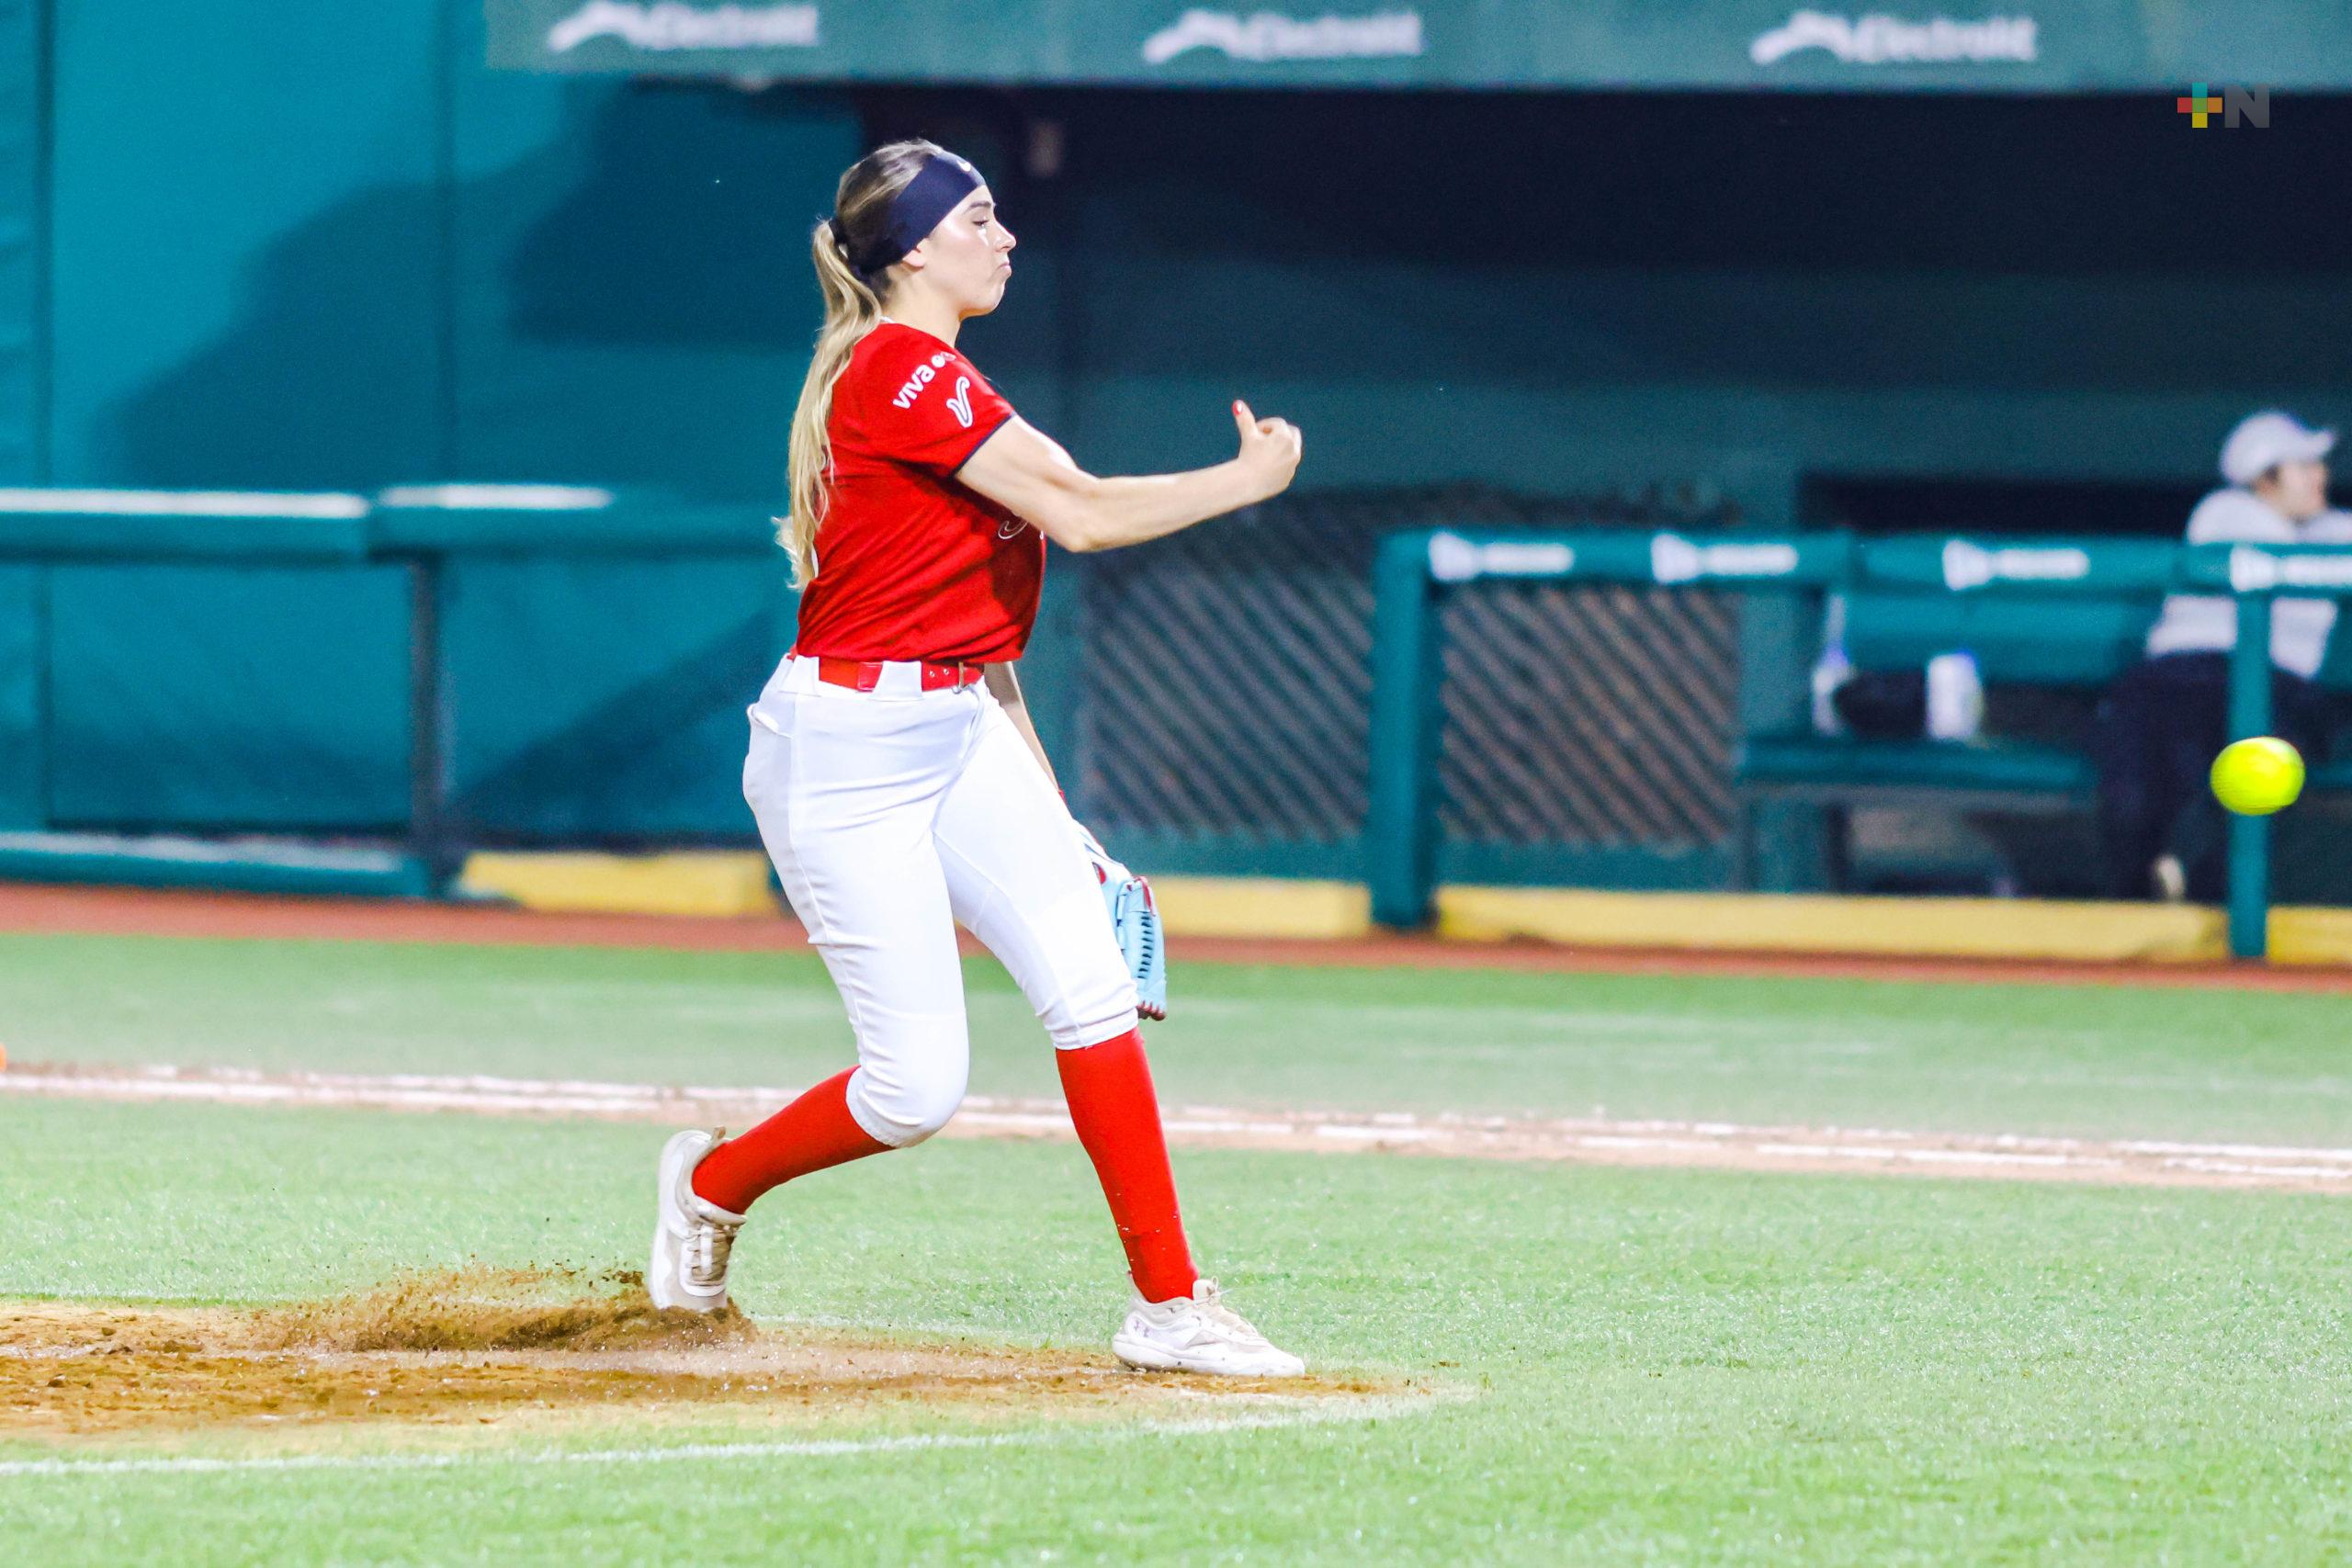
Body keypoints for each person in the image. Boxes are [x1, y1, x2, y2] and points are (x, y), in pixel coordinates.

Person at [646, 141, 1307, 1376]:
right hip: (845, 753)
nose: (1004, 238)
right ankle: (711, 1181)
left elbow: (983, 643)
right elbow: (1092, 514)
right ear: (912, 250)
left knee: (1090, 986)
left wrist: (1054, 814)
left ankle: (1170, 1303)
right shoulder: (900, 371)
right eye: (980, 218)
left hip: (953, 726)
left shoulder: (939, 376)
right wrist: (1247, 477)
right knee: (913, 1089)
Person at [2096, 411, 2352, 901]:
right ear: (2264, 477)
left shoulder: (2329, 527)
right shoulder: (2227, 512)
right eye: (2304, 466)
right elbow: (2268, 551)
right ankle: (2143, 895)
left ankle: (2199, 889)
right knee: (2140, 771)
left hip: (2277, 689)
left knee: (2262, 769)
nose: (2321, 475)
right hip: (2185, 675)